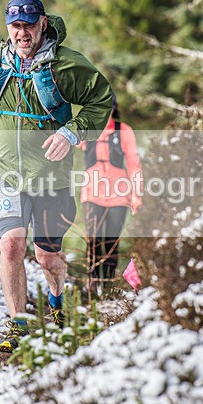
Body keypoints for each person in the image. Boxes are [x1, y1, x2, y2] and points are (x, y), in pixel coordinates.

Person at [0, 0, 113, 352]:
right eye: (15, 25)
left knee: (46, 255)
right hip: (5, 171)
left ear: (43, 23)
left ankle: (57, 305)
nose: (21, 33)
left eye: (28, 24)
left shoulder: (67, 65)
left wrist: (71, 132)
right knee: (11, 245)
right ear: (7, 27)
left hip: (51, 175)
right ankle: (17, 325)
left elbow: (101, 99)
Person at [80, 96, 142, 296]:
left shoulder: (124, 131)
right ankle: (92, 280)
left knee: (111, 240)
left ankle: (107, 284)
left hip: (119, 192)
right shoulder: (86, 130)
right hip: (91, 191)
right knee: (93, 238)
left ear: (114, 109)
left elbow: (134, 164)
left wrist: (136, 194)